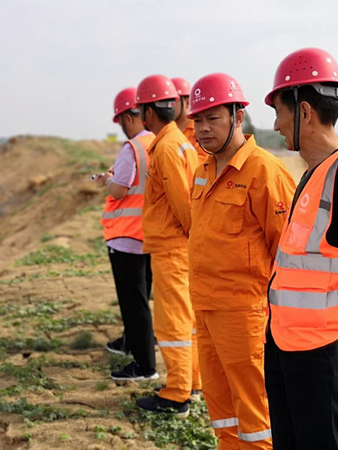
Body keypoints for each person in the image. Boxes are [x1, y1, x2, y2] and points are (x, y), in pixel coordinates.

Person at [263, 48, 338, 450]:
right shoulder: (315, 174)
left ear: (304, 111)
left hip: (317, 352)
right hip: (286, 343)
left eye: (279, 112)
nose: (276, 125)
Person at [188, 73, 296, 448]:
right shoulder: (202, 171)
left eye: (212, 118)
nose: (203, 128)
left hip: (245, 315)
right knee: (222, 409)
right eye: (197, 120)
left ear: (237, 117)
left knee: (255, 415)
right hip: (204, 307)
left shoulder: (264, 171)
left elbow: (288, 251)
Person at [133, 74, 200, 418]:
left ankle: (177, 394)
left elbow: (181, 202)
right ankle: (194, 382)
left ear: (148, 112)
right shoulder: (178, 141)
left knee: (172, 322)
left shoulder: (167, 147)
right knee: (187, 319)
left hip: (173, 247)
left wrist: (191, 237)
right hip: (180, 246)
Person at [96, 87, 158, 382]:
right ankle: (132, 343)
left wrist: (107, 180)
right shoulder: (157, 142)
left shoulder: (132, 148)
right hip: (150, 234)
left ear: (127, 117)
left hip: (127, 237)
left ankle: (145, 366)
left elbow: (120, 190)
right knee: (141, 298)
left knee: (133, 302)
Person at [171, 77, 206, 163]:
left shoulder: (200, 130)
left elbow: (203, 163)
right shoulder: (163, 132)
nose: (168, 106)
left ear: (187, 102)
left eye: (172, 102)